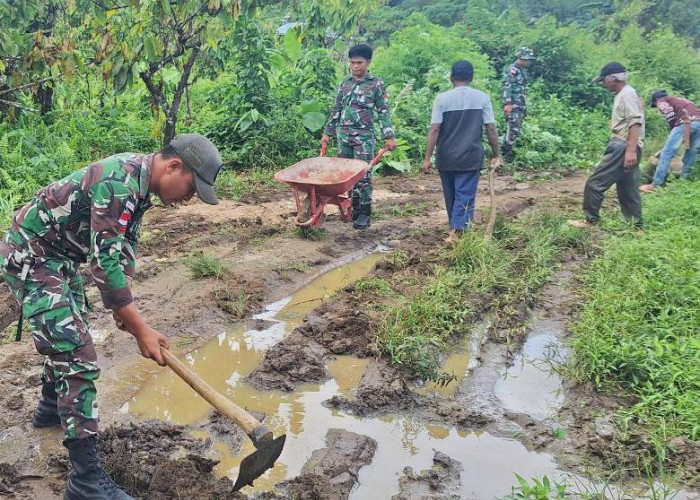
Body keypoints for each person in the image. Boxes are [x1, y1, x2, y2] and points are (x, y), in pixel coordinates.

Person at [0, 133, 222, 500]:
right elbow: (103, 263)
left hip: (59, 257)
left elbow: (124, 246)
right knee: (75, 353)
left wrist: (126, 304)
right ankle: (86, 481)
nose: (189, 197)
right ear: (174, 166)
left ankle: (50, 410)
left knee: (71, 331)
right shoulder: (119, 180)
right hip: (32, 255)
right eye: (191, 187)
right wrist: (139, 329)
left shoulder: (140, 185)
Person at [422, 60, 502, 243]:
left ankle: (456, 230)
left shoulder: (441, 99)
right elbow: (490, 128)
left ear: (451, 78)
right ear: (471, 77)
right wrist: (496, 154)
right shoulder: (482, 98)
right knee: (464, 195)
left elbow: (434, 130)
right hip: (469, 157)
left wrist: (427, 158)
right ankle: (458, 232)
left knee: (451, 195)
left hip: (446, 157)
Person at [321, 43, 397, 230]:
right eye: (352, 62)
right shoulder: (345, 83)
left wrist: (389, 136)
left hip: (364, 138)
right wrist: (327, 132)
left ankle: (364, 213)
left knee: (362, 175)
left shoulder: (376, 85)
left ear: (368, 62)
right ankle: (353, 209)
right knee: (346, 176)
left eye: (359, 62)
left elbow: (383, 112)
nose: (355, 66)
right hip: (344, 136)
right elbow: (336, 109)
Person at [568, 63, 645, 229]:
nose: (604, 84)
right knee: (628, 188)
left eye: (604, 80)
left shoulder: (626, 94)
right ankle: (636, 227)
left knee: (595, 184)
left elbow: (635, 122)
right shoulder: (627, 93)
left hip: (623, 145)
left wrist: (630, 150)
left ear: (613, 78)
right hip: (629, 145)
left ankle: (591, 221)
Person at [639, 90, 700, 192]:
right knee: (691, 155)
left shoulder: (662, 101)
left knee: (667, 153)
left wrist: (675, 131)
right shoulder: (681, 100)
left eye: (655, 104)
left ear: (656, 99)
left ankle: (656, 184)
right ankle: (683, 183)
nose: (657, 107)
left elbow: (670, 115)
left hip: (684, 122)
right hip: (699, 124)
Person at [501, 47, 535, 163]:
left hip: (520, 103)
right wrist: (508, 103)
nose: (529, 62)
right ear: (521, 58)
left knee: (517, 128)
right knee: (512, 127)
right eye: (527, 59)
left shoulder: (522, 70)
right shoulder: (512, 69)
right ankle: (506, 152)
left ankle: (509, 150)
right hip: (513, 103)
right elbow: (507, 86)